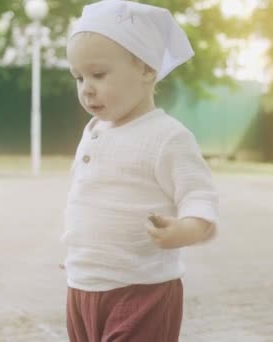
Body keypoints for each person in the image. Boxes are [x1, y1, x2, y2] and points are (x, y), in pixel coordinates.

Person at [61, 1, 219, 341]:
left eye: (98, 75)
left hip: (141, 290)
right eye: (79, 77)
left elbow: (198, 194)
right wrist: (83, 252)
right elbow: (87, 201)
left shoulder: (167, 136)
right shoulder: (92, 131)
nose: (86, 87)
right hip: (83, 286)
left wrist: (186, 229)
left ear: (147, 69)